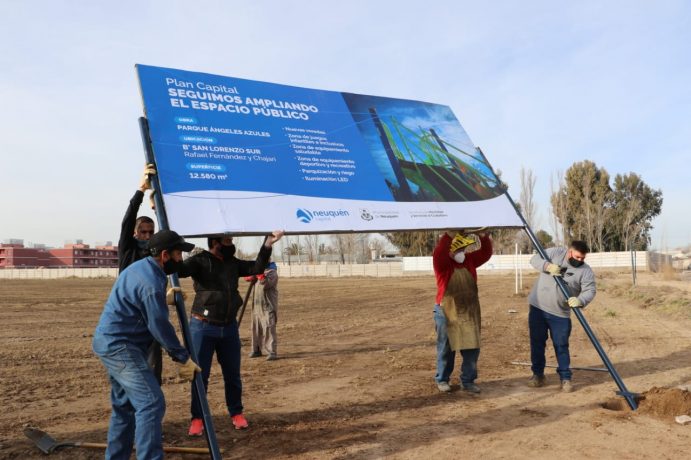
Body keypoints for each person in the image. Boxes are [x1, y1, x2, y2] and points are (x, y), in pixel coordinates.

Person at [92, 229, 201, 460]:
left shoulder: (141, 269)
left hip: (111, 341)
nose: (181, 259)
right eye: (178, 254)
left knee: (125, 407)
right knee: (151, 403)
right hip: (121, 346)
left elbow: (141, 305)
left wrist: (163, 298)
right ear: (165, 255)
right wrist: (181, 357)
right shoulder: (151, 282)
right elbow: (159, 326)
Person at [180, 231, 284, 437]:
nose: (231, 244)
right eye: (227, 241)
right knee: (201, 376)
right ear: (215, 242)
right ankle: (197, 418)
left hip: (228, 329)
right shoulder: (199, 261)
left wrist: (268, 244)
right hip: (202, 327)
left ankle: (236, 413)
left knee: (233, 375)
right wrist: (178, 246)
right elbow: (179, 270)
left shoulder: (233, 263)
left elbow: (256, 267)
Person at [527, 240, 596, 393]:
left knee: (561, 346)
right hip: (538, 307)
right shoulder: (555, 253)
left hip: (560, 314)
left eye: (582, 259)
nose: (580, 261)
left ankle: (565, 378)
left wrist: (580, 300)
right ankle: (538, 375)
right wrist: (548, 266)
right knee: (537, 343)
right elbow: (534, 259)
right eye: (577, 257)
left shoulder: (585, 271)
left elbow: (590, 290)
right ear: (570, 251)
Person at [118, 164, 164, 385]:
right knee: (130, 370)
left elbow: (167, 232)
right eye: (143, 231)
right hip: (128, 316)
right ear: (136, 232)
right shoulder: (128, 248)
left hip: (151, 315)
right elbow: (128, 220)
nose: (147, 235)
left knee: (154, 368)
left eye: (150, 232)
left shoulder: (156, 253)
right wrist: (141, 190)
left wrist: (156, 207)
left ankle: (153, 413)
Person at [432, 230, 493, 393]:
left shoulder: (470, 260)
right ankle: (443, 379)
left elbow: (486, 253)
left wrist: (484, 236)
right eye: (457, 249)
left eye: (462, 249)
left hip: (468, 310)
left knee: (471, 347)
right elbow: (440, 251)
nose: (461, 253)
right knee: (446, 347)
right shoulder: (442, 262)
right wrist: (449, 235)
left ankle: (468, 380)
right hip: (446, 310)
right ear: (449, 249)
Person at [248, 260, 279, 361]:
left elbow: (265, 284)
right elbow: (248, 278)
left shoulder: (272, 273)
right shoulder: (259, 271)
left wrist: (259, 274)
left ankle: (271, 351)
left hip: (267, 306)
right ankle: (256, 349)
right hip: (257, 305)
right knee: (255, 328)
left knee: (269, 328)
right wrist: (251, 276)